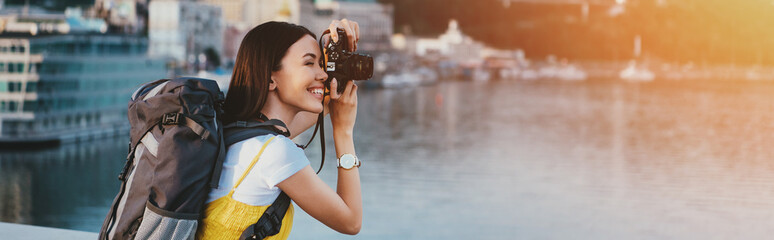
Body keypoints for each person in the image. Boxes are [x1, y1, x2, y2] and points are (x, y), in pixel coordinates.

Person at [196, 19, 362, 239]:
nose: (322, 75)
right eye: (309, 63)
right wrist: (343, 132)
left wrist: (338, 46)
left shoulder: (239, 134)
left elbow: (329, 101)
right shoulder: (275, 152)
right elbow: (350, 222)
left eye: (321, 65)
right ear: (271, 78)